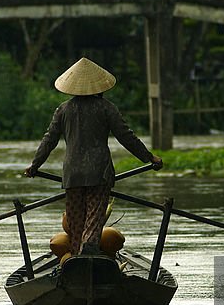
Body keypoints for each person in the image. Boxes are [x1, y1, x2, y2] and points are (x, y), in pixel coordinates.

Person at [25, 57, 163, 256]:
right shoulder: (106, 108)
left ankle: (75, 255)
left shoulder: (63, 110)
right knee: (94, 217)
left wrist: (34, 165)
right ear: (100, 87)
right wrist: (149, 158)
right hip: (99, 173)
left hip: (72, 174)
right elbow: (126, 136)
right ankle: (89, 247)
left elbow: (49, 140)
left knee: (75, 222)